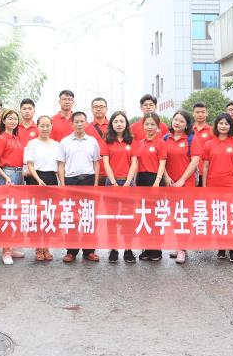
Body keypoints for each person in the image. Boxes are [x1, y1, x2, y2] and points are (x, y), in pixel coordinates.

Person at [57, 111, 101, 263]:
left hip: (88, 180)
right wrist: (63, 184)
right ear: (72, 123)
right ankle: (71, 251)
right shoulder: (65, 142)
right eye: (77, 121)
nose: (80, 124)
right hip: (71, 181)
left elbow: (96, 163)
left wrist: (95, 183)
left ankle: (89, 251)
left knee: (89, 216)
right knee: (72, 217)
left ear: (87, 123)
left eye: (82, 121)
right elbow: (61, 164)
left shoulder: (93, 141)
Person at [202, 113, 233, 263]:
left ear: (230, 126)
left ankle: (232, 248)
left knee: (231, 216)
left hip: (231, 185)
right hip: (213, 185)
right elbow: (205, 166)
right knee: (218, 216)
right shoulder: (209, 144)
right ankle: (221, 247)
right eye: (220, 123)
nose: (223, 126)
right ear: (216, 125)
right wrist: (204, 184)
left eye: (226, 124)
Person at [163, 110, 202, 265]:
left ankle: (182, 248)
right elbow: (161, 160)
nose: (177, 123)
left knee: (184, 216)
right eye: (175, 120)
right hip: (170, 184)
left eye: (181, 121)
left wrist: (182, 180)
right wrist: (166, 177)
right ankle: (178, 244)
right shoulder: (166, 138)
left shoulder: (192, 139)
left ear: (186, 125)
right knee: (174, 215)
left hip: (186, 184)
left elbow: (195, 161)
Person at [100, 111, 138, 263]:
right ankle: (113, 249)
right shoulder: (107, 141)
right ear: (111, 124)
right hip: (111, 183)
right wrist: (114, 183)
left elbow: (134, 163)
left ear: (126, 124)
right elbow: (106, 163)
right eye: (116, 121)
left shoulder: (131, 141)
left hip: (129, 183)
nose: (119, 124)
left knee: (128, 218)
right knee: (112, 218)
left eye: (122, 121)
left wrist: (128, 182)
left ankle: (128, 249)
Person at [0, 109, 25, 265]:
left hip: (18, 174)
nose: (13, 121)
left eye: (15, 119)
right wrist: (5, 176)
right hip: (8, 175)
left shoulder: (16, 138)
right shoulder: (2, 138)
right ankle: (5, 251)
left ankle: (11, 247)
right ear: (4, 121)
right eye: (9, 118)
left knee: (15, 213)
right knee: (6, 213)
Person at [23, 115, 59, 261]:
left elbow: (59, 166)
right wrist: (38, 179)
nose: (45, 128)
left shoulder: (57, 145)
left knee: (48, 213)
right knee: (36, 214)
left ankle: (46, 247)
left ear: (52, 126)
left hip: (51, 179)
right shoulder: (31, 144)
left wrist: (61, 183)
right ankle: (38, 247)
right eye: (42, 126)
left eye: (47, 125)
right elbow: (30, 164)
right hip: (35, 178)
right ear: (37, 127)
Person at [134, 112, 167, 261]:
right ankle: (147, 247)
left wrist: (157, 182)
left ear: (157, 126)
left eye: (152, 124)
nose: (149, 127)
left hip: (155, 180)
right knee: (145, 214)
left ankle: (157, 249)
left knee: (156, 215)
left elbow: (162, 163)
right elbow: (136, 163)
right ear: (143, 126)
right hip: (141, 179)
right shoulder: (140, 143)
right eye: (147, 124)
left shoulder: (160, 143)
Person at [17, 98, 39, 184]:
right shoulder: (14, 128)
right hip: (17, 168)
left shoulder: (38, 128)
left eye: (30, 109)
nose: (27, 111)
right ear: (20, 111)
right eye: (24, 109)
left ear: (34, 111)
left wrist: (30, 168)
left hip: (34, 168)